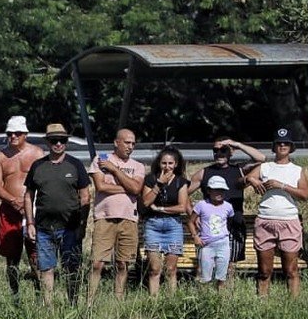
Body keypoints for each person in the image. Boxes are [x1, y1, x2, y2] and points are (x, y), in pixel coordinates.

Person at [24, 124, 92, 303]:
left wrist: (82, 225)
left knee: (72, 268)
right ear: (47, 142)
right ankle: (48, 308)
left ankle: (73, 304)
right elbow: (28, 196)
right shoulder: (38, 166)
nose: (59, 144)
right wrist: (30, 223)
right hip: (44, 228)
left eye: (62, 140)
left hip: (70, 227)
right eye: (54, 140)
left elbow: (85, 197)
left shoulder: (75, 164)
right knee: (46, 268)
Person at [247, 127, 308, 298]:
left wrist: (281, 185)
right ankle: (262, 303)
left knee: (291, 269)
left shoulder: (297, 170)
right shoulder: (265, 167)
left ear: (291, 147)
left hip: (288, 220)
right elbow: (247, 178)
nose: (282, 146)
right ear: (274, 147)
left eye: (286, 143)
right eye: (279, 143)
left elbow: (304, 194)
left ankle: (294, 304)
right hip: (266, 219)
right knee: (264, 270)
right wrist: (253, 180)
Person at [87, 128, 145, 302]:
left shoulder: (138, 166)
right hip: (105, 217)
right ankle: (90, 300)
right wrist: (128, 187)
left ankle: (118, 300)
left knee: (123, 263)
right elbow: (101, 187)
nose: (130, 147)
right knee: (97, 262)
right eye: (127, 142)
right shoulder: (102, 159)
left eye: (133, 143)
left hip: (129, 218)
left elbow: (137, 189)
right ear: (116, 142)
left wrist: (114, 170)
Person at [0, 116, 44, 296]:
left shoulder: (37, 153)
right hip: (9, 210)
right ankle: (15, 294)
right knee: (11, 257)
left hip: (33, 210)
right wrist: (14, 201)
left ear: (25, 134)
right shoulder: (1, 156)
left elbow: (44, 181)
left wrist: (30, 203)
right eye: (10, 133)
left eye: (17, 133)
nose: (13, 136)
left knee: (36, 254)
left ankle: (41, 294)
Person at [194, 136, 265, 264]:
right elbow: (183, 193)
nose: (219, 153)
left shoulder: (239, 170)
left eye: (224, 150)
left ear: (231, 152)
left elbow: (261, 159)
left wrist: (237, 144)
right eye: (216, 150)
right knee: (204, 265)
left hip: (234, 225)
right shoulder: (203, 173)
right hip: (209, 226)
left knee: (230, 265)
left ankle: (229, 285)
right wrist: (194, 215)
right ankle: (204, 285)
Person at [139, 146, 191, 297]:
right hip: (153, 225)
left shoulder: (181, 182)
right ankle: (154, 300)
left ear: (176, 164)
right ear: (159, 164)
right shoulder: (150, 179)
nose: (167, 167)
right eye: (164, 163)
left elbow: (181, 206)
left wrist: (161, 208)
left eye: (170, 163)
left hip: (173, 225)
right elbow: (146, 202)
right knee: (154, 268)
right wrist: (159, 185)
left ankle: (171, 300)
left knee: (171, 268)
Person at [191, 176, 236, 291]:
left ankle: (220, 298)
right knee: (204, 276)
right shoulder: (201, 205)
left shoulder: (228, 206)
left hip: (223, 243)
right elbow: (190, 222)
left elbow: (230, 222)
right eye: (215, 190)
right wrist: (195, 236)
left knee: (221, 275)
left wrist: (226, 234)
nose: (218, 193)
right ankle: (204, 297)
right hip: (206, 244)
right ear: (209, 190)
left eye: (221, 190)